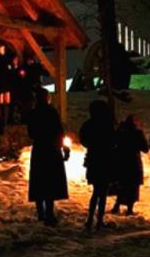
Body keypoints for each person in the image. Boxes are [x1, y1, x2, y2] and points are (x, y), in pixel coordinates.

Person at [27, 88, 69, 225]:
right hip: (51, 149)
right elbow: (59, 131)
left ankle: (41, 213)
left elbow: (31, 133)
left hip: (39, 149)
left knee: (39, 181)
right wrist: (64, 147)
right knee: (49, 181)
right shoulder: (51, 113)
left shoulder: (33, 113)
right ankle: (49, 214)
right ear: (46, 98)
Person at [79, 99, 116, 230]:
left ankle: (90, 219)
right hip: (105, 159)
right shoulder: (106, 124)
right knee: (102, 191)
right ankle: (99, 220)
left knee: (96, 191)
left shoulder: (88, 125)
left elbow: (83, 139)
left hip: (93, 159)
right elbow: (113, 140)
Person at [111, 115, 149, 216]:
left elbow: (113, 142)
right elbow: (145, 148)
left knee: (122, 185)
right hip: (133, 162)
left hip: (121, 161)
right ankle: (129, 208)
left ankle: (117, 205)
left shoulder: (120, 132)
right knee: (132, 186)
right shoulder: (137, 133)